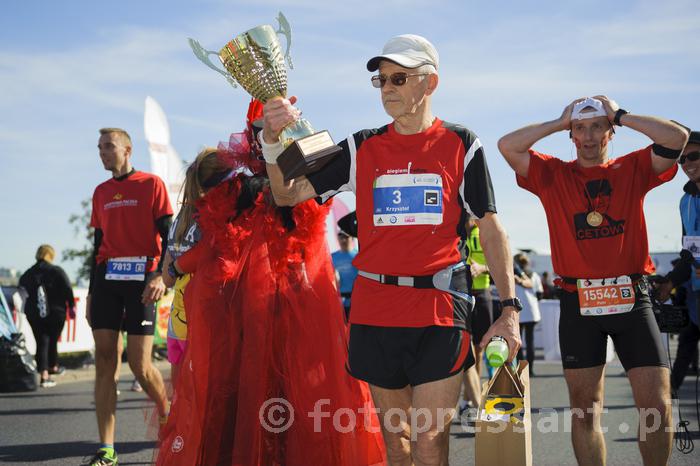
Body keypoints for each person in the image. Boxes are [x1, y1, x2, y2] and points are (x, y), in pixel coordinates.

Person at [261, 34, 521, 465]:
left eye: (399, 79)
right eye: (381, 81)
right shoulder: (361, 145)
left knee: (429, 440)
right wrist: (273, 140)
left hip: (439, 308)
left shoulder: (462, 143)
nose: (387, 89)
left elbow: (492, 229)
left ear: (429, 83)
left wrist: (509, 310)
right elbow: (286, 194)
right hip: (375, 310)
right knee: (396, 442)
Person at [156, 101, 385, 465]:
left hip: (261, 322)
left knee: (254, 408)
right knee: (291, 407)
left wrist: (176, 267)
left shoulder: (253, 192)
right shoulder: (256, 191)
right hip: (277, 321)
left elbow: (214, 254)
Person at [498, 96, 688, 466]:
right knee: (585, 410)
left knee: (657, 407)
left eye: (597, 126)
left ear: (609, 132)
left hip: (632, 298)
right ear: (571, 136)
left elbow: (677, 138)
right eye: (580, 128)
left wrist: (620, 114)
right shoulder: (553, 174)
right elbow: (508, 145)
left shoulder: (632, 167)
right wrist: (558, 121)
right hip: (577, 300)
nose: (588, 136)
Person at [86, 127, 173, 466]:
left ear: (127, 149)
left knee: (139, 364)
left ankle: (166, 413)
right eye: (99, 148)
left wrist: (160, 276)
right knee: (105, 359)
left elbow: (168, 235)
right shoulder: (100, 192)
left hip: (142, 278)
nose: (103, 153)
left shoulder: (151, 185)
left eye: (109, 146)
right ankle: (106, 448)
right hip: (107, 277)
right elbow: (96, 245)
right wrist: (92, 293)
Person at [655, 130, 700, 391]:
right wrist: (669, 282)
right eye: (682, 160)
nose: (687, 164)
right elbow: (688, 253)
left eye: (694, 156)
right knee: (684, 349)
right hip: (694, 295)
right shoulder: (685, 201)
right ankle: (669, 396)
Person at [18, 244, 75, 388]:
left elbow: (21, 289)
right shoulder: (57, 271)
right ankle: (50, 369)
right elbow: (68, 288)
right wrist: (71, 305)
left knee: (42, 341)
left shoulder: (28, 273)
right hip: (56, 312)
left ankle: (47, 370)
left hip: (34, 312)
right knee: (52, 340)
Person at [514, 253, 542, 375]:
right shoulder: (534, 275)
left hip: (518, 310)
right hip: (531, 311)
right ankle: (530, 370)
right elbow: (540, 294)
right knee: (530, 341)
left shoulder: (513, 276)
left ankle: (521, 369)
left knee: (517, 342)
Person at [332, 231, 358, 320]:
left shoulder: (358, 256)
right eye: (341, 237)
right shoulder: (331, 257)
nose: (343, 240)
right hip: (340, 302)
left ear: (352, 238)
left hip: (357, 301)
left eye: (346, 237)